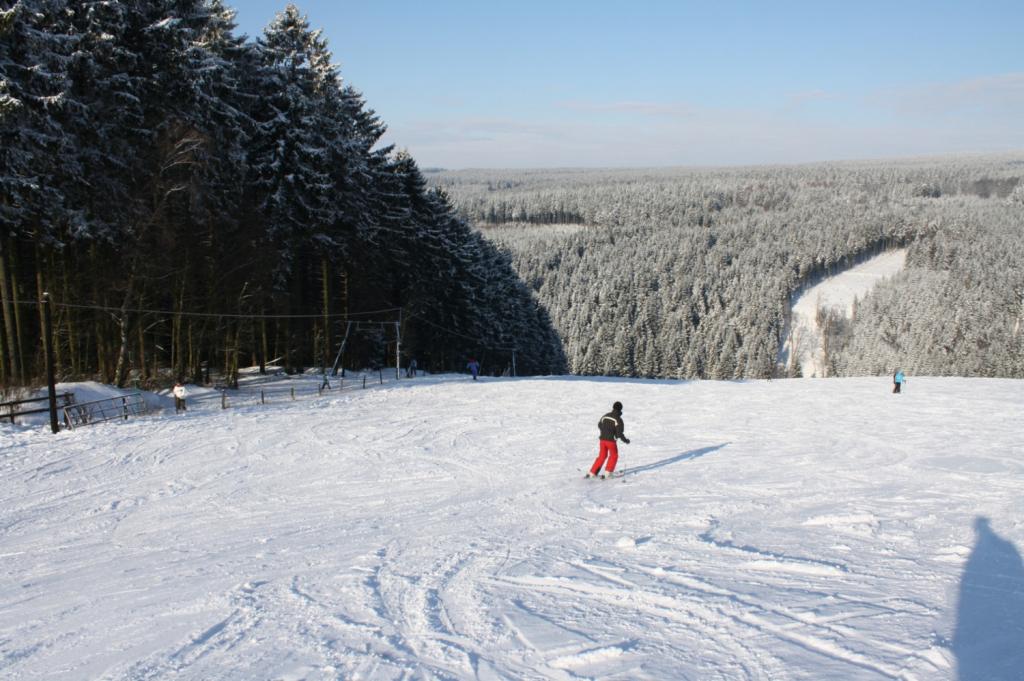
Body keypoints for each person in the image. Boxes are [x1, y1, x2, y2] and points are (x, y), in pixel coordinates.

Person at [587, 401, 630, 479]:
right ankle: (608, 473)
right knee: (614, 456)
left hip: (602, 440)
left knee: (602, 456)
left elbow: (599, 424)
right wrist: (625, 440)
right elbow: (619, 433)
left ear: (613, 407)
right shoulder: (618, 419)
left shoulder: (606, 416)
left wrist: (604, 432)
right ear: (621, 409)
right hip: (611, 441)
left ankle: (592, 473)